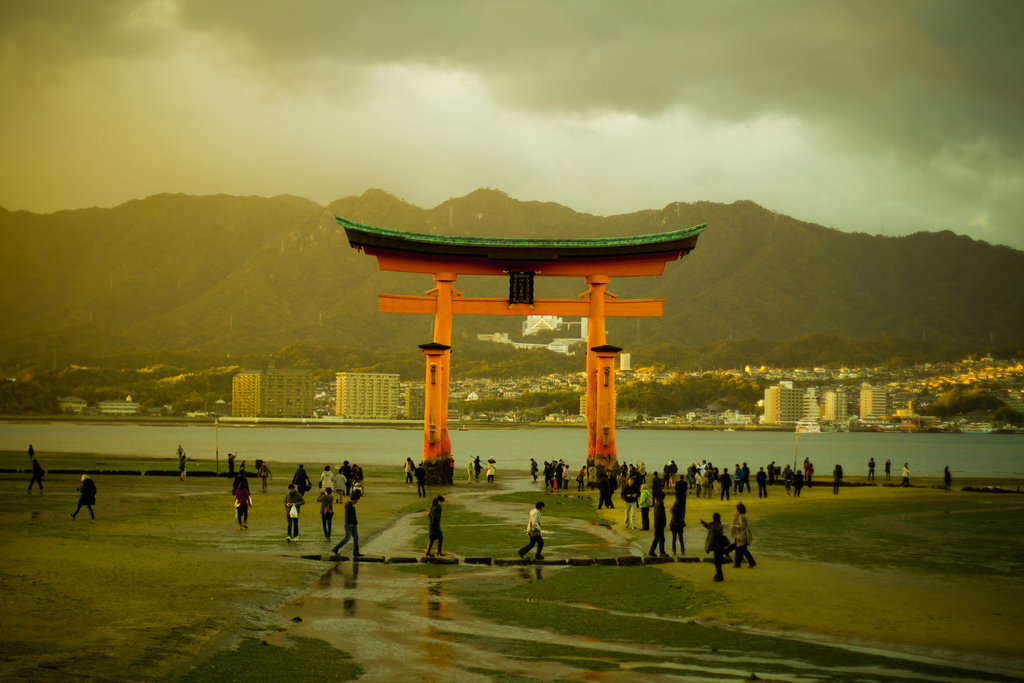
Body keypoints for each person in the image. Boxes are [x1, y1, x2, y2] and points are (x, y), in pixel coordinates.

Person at [727, 502, 756, 568]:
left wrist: (734, 526)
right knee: (740, 549)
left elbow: (742, 526)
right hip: (745, 534)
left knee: (742, 549)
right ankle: (738, 564)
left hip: (741, 535)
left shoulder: (741, 516)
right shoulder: (745, 515)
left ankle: (750, 562)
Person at [701, 513, 726, 582]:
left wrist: (708, 548)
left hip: (716, 546)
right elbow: (711, 528)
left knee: (717, 562)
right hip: (721, 546)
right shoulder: (720, 525)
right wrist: (705, 524)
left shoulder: (714, 526)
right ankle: (718, 575)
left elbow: (712, 538)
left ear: (713, 518)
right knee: (719, 562)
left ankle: (719, 576)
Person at [648, 492, 669, 557]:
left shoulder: (657, 504)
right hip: (659, 524)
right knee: (658, 538)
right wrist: (663, 522)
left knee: (660, 538)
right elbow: (660, 515)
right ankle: (654, 551)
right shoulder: (660, 505)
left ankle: (660, 551)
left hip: (657, 523)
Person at [669, 489, 686, 554]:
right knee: (681, 539)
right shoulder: (681, 511)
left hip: (674, 525)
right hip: (680, 524)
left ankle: (674, 550)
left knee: (674, 539)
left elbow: (671, 511)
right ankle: (682, 549)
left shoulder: (673, 511)